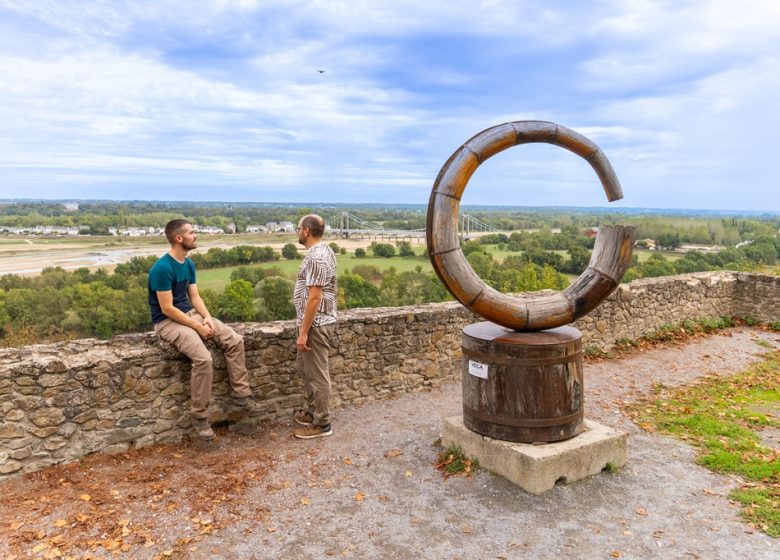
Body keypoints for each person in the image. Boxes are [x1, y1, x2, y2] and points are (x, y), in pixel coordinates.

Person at [148, 219, 258, 441]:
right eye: (192, 232)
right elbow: (167, 308)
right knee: (203, 359)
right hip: (168, 323)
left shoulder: (188, 264)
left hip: (191, 315)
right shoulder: (161, 268)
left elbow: (194, 297)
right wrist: (197, 327)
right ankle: (200, 417)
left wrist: (207, 319)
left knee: (234, 340)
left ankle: (241, 394)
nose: (196, 235)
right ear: (179, 238)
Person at [292, 214, 338, 439]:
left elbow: (314, 298)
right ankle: (313, 412)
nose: (297, 231)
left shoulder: (317, 257)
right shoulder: (322, 251)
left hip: (316, 325)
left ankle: (322, 424)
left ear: (306, 231)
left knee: (318, 375)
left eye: (298, 228)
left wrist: (303, 332)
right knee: (307, 371)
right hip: (313, 324)